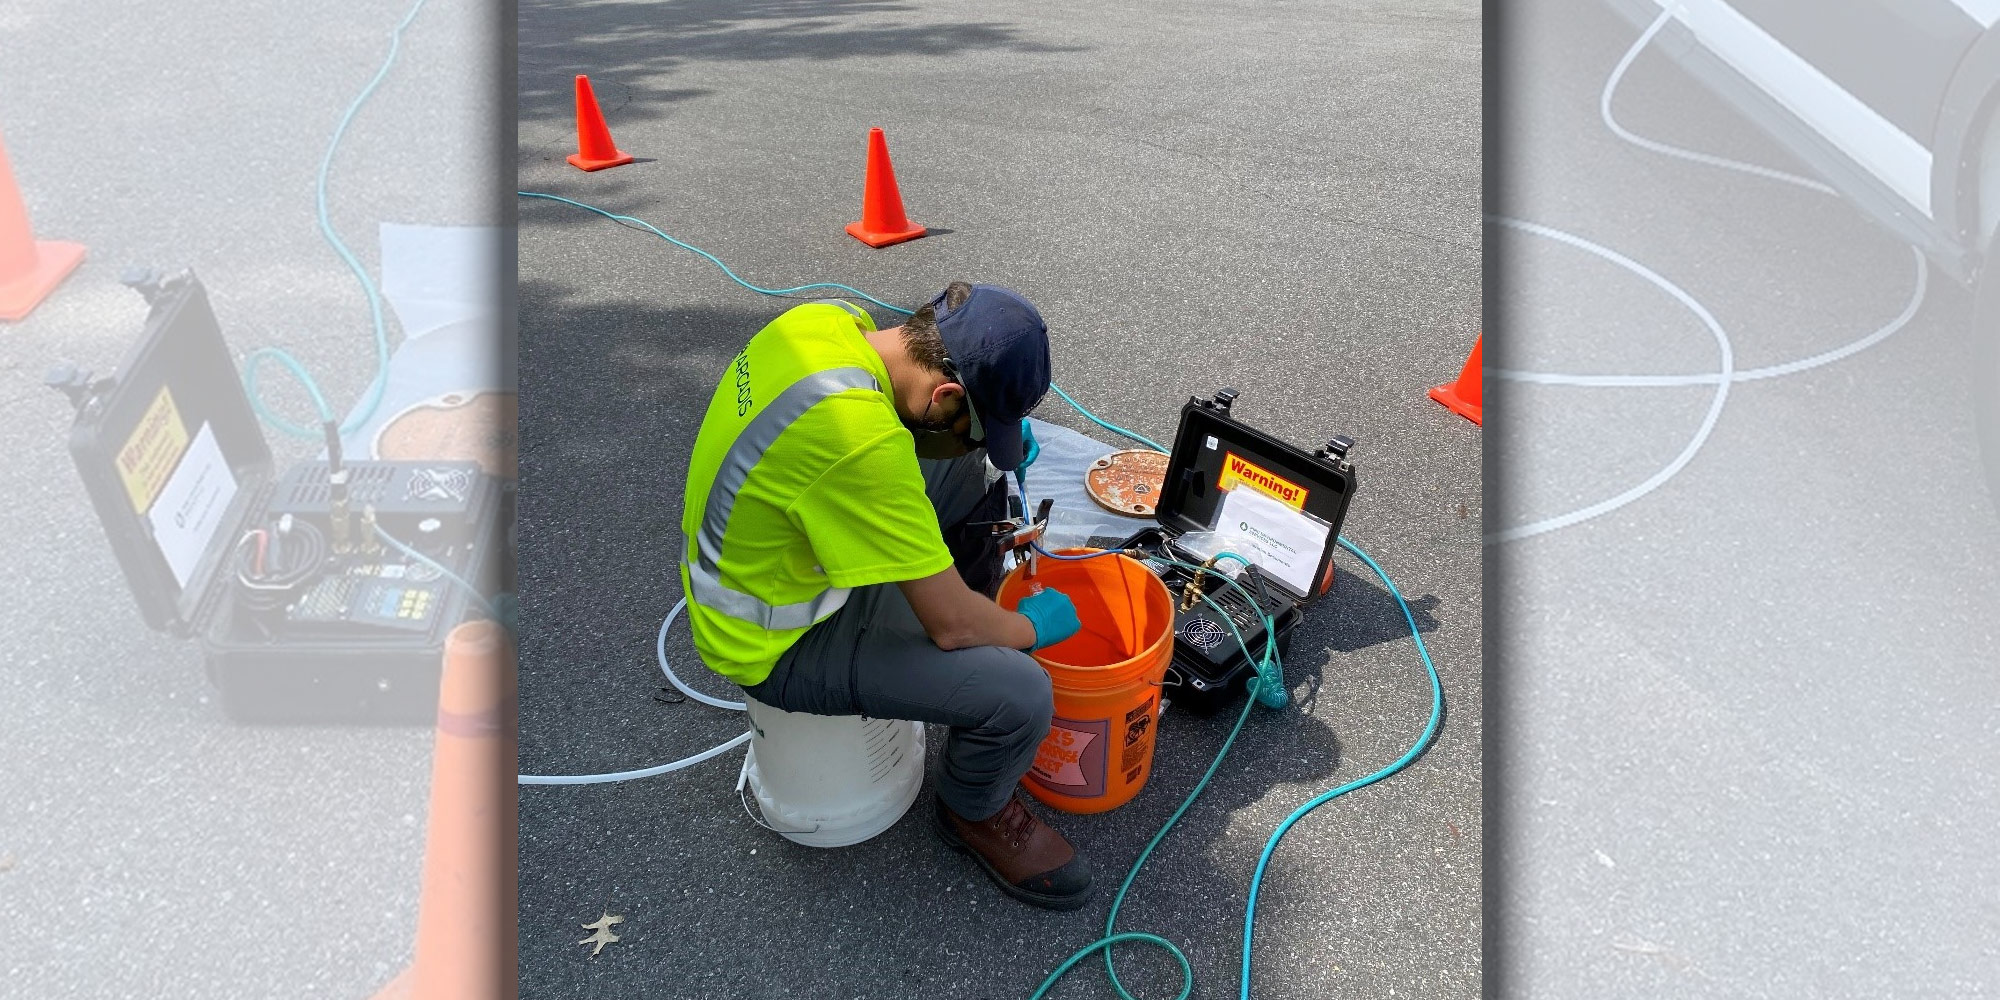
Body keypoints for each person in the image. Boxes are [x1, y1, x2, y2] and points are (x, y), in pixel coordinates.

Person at [678, 281, 1095, 910]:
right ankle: (972, 813)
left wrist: (981, 446)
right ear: (946, 392)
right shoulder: (860, 441)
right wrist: (1028, 628)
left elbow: (905, 441)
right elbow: (954, 626)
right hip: (776, 640)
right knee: (1021, 691)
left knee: (958, 467)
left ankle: (942, 630)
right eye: (975, 424)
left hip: (774, 558)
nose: (981, 441)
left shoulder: (831, 323)